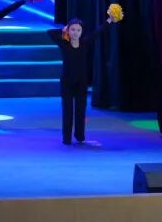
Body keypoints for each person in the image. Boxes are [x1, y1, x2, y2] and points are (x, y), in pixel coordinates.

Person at [46, 14, 117, 145]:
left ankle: (79, 135)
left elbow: (98, 32)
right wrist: (63, 29)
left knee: (80, 110)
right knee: (67, 110)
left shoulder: (85, 43)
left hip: (81, 82)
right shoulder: (64, 43)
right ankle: (66, 137)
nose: (75, 32)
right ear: (68, 31)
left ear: (81, 31)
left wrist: (109, 20)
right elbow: (49, 32)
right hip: (67, 82)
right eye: (73, 29)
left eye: (78, 30)